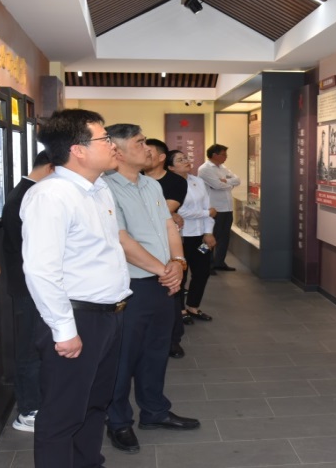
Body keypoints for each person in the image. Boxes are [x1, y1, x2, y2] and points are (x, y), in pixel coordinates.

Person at [20, 109, 131, 468]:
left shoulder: (99, 189)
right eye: (104, 139)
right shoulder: (51, 196)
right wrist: (64, 330)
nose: (112, 145)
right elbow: (41, 270)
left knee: (95, 405)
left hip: (108, 316)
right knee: (62, 414)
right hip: (76, 318)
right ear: (78, 150)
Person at [103, 124, 200, 455]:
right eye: (140, 142)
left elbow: (169, 226)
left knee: (156, 350)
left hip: (162, 281)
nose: (148, 148)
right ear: (117, 151)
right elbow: (121, 239)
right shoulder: (104, 189)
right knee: (123, 356)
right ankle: (118, 421)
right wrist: (165, 270)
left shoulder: (150, 184)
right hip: (131, 285)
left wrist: (178, 262)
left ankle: (155, 411)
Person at [1, 150, 54, 432]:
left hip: (33, 283)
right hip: (29, 285)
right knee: (30, 347)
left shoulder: (27, 192)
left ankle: (36, 402)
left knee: (37, 345)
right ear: (51, 167)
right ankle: (29, 410)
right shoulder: (26, 196)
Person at [143, 138, 189, 358]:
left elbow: (163, 212)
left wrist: (169, 214)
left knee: (171, 292)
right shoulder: (135, 178)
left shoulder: (175, 181)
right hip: (138, 247)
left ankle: (173, 340)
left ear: (162, 157)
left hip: (166, 245)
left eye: (149, 151)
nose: (144, 154)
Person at [167, 149, 217, 324]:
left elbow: (209, 208)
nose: (186, 161)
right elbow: (179, 212)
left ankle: (193, 306)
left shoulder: (198, 181)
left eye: (186, 158)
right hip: (180, 237)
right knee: (181, 274)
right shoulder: (169, 184)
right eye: (180, 160)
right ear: (171, 167)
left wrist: (208, 232)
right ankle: (180, 310)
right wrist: (206, 213)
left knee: (202, 272)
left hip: (200, 236)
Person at [198, 144, 240, 272]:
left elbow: (237, 180)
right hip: (214, 208)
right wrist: (228, 184)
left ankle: (219, 262)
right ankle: (203, 263)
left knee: (224, 237)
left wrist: (226, 181)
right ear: (214, 155)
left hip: (227, 207)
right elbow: (217, 185)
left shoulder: (223, 168)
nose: (226, 157)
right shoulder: (205, 169)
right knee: (209, 237)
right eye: (223, 154)